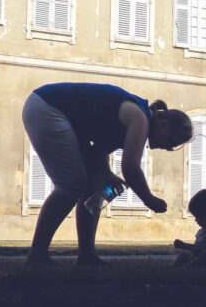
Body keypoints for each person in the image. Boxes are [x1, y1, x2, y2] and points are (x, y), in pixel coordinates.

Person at [22, 82, 193, 267]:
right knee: (70, 185)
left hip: (45, 106)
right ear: (163, 123)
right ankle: (37, 255)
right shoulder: (140, 118)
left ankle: (87, 256)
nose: (166, 147)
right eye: (171, 141)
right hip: (48, 107)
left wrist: (105, 173)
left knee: (94, 184)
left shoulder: (135, 116)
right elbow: (130, 167)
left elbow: (97, 153)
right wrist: (148, 199)